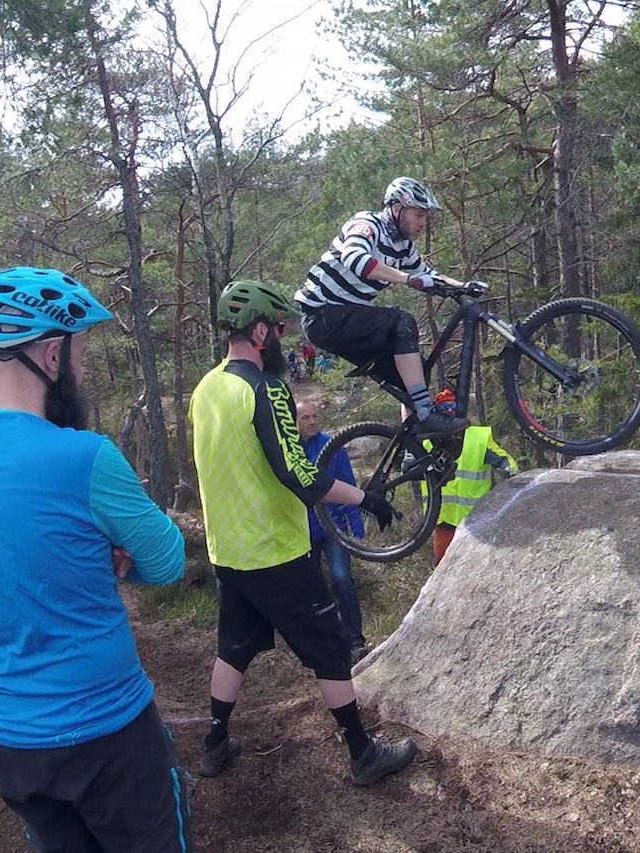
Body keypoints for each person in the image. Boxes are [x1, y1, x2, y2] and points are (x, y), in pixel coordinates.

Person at [0, 267, 192, 851]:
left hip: (9, 734)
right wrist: (117, 559)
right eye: (80, 355)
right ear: (51, 355)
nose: (82, 370)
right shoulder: (85, 456)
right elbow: (167, 561)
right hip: (107, 729)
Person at [190, 279, 417, 787]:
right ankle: (362, 754)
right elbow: (301, 475)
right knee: (330, 648)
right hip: (274, 550)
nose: (283, 339)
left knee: (234, 646)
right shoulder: (266, 389)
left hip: (228, 549)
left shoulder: (206, 388)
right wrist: (364, 497)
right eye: (278, 329)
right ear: (259, 332)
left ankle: (214, 743)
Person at [294, 176, 469, 438]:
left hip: (345, 318)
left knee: (416, 374)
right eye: (419, 215)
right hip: (321, 314)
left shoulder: (403, 246)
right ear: (397, 209)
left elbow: (428, 276)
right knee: (401, 321)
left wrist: (463, 286)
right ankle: (426, 413)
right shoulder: (366, 224)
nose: (422, 223)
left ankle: (411, 448)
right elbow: (357, 260)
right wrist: (407, 279)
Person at [295, 399, 368, 665]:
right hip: (300, 531)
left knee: (342, 579)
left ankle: (355, 642)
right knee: (308, 588)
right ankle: (319, 644)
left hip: (333, 527)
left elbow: (348, 486)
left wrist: (356, 531)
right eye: (305, 417)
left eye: (315, 416)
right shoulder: (287, 450)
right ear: (293, 421)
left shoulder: (331, 446)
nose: (312, 421)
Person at [426, 392, 519, 566]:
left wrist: (510, 471)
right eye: (444, 407)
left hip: (476, 519)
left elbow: (503, 460)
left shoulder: (478, 437)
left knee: (476, 566)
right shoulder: (428, 439)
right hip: (443, 519)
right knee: (443, 565)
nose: (449, 411)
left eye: (452, 406)